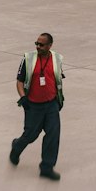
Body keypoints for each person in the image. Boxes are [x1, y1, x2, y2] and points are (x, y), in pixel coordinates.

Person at [10, 32, 64, 180]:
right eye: (36, 43)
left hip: (51, 104)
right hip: (33, 105)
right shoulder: (28, 59)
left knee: (53, 135)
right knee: (30, 135)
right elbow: (19, 81)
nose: (38, 47)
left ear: (50, 45)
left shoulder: (57, 59)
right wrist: (23, 98)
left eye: (41, 44)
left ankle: (47, 167)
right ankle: (16, 147)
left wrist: (60, 99)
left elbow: (58, 79)